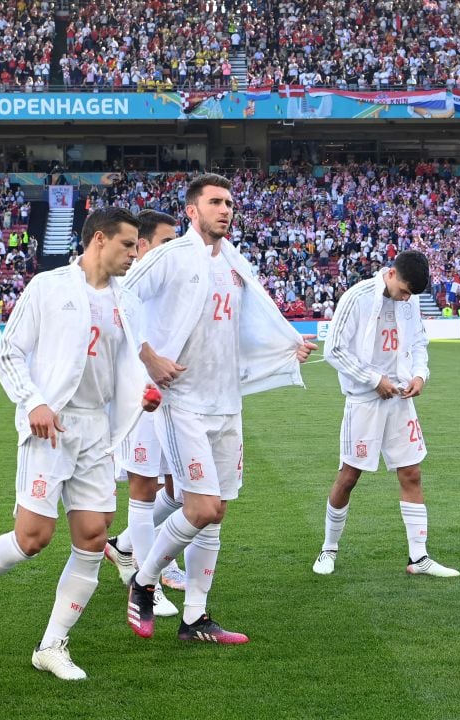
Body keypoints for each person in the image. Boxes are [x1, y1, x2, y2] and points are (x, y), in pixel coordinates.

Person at [0, 208, 159, 680]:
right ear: (99, 239)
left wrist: (139, 393)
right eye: (128, 244)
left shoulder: (128, 301)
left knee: (92, 536)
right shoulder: (48, 286)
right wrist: (35, 402)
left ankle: (52, 645)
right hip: (50, 428)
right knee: (33, 539)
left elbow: (127, 363)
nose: (135, 253)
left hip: (97, 431)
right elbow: (10, 350)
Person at [122, 174, 317, 645]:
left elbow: (252, 321)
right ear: (192, 211)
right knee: (202, 506)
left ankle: (195, 618)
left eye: (229, 202)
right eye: (215, 202)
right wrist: (149, 357)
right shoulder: (171, 256)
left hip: (226, 402)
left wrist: (285, 347)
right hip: (183, 401)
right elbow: (123, 295)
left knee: (217, 510)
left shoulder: (235, 263)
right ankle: (144, 579)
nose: (225, 209)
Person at [311, 250, 458, 578]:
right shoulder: (357, 296)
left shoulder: (411, 301)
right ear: (391, 274)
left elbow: (419, 341)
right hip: (364, 399)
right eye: (404, 291)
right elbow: (333, 349)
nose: (406, 299)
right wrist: (373, 380)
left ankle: (418, 558)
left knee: (412, 474)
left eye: (411, 295)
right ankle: (328, 549)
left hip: (400, 400)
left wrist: (420, 375)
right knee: (349, 476)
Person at [103, 210, 184, 617]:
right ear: (145, 245)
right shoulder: (124, 287)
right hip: (139, 398)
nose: (176, 249)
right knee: (144, 485)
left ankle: (125, 547)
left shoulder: (176, 283)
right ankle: (146, 583)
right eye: (167, 242)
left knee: (181, 490)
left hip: (175, 398)